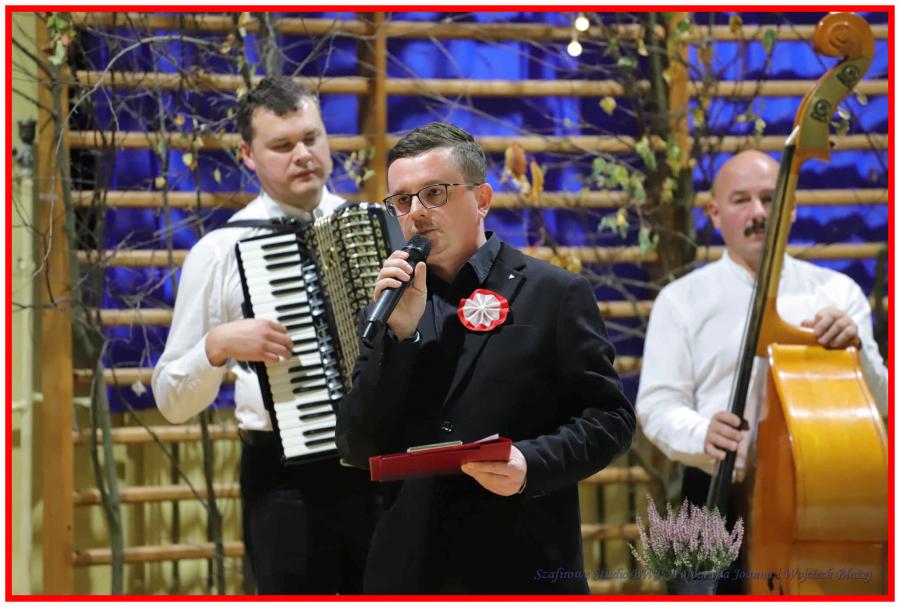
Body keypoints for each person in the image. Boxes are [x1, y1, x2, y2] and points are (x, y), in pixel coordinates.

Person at [335, 122, 635, 594]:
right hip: (410, 574)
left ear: (482, 199)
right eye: (402, 201)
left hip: (521, 563)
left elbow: (611, 419)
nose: (416, 213)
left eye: (434, 193)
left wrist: (531, 463)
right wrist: (401, 337)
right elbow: (357, 445)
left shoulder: (554, 293)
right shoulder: (391, 304)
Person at [151, 77, 376, 594]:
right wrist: (217, 346)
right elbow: (170, 399)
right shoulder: (221, 251)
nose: (303, 155)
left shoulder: (368, 227)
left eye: (312, 138)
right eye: (282, 145)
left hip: (378, 468)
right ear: (248, 156)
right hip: (284, 483)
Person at [636, 148, 888, 517]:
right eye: (741, 201)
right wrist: (702, 433)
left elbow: (881, 404)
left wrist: (857, 353)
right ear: (715, 214)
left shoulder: (838, 294)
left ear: (792, 209)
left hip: (821, 494)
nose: (758, 213)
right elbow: (657, 405)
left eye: (770, 199)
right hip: (714, 493)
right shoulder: (680, 300)